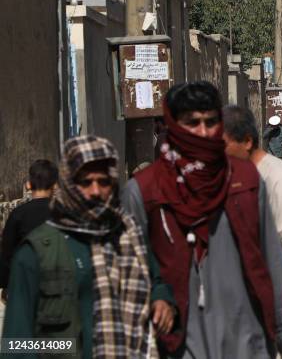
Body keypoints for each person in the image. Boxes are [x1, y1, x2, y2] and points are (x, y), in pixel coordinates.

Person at [121, 81, 282, 359]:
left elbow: (273, 263)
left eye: (211, 122)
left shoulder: (244, 180)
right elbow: (131, 275)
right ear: (174, 127)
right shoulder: (144, 191)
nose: (203, 132)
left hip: (247, 341)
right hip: (179, 343)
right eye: (192, 123)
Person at [2, 135, 175, 358]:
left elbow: (157, 281)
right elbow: (15, 345)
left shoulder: (129, 236)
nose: (95, 191)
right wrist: (63, 346)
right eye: (85, 182)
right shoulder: (36, 253)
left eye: (103, 182)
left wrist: (162, 300)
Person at [223, 105, 282, 334]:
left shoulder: (276, 178)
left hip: (277, 322)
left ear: (246, 141)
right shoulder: (235, 177)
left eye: (223, 145)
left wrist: (271, 303)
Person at [0, 159, 58, 300]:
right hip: (57, 288)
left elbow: (7, 253)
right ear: (55, 185)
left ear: (29, 185)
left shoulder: (18, 214)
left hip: (25, 287)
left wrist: (6, 285)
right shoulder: (63, 213)